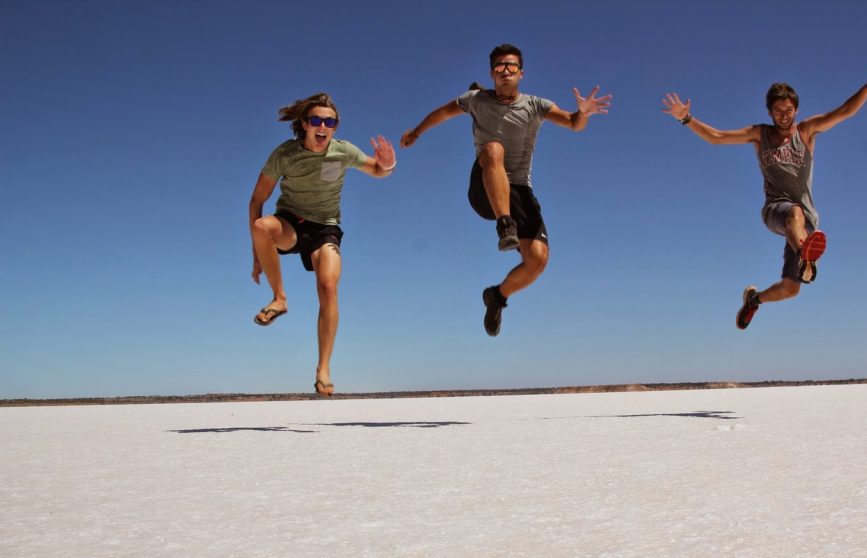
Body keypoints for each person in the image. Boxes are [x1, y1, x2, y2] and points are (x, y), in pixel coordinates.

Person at [400, 44, 611, 336]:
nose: (505, 71)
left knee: (537, 260)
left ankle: (497, 297)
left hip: (519, 190)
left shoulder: (536, 105)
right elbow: (443, 113)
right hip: (485, 187)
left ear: (521, 73)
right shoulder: (475, 100)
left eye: (511, 66)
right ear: (491, 73)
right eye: (499, 66)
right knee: (493, 148)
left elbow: (574, 124)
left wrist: (583, 112)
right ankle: (505, 224)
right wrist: (416, 132)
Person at [662, 72, 867, 330]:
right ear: (770, 112)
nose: (783, 115)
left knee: (790, 288)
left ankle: (754, 299)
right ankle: (806, 257)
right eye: (777, 111)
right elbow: (717, 137)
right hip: (776, 210)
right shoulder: (759, 134)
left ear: (796, 109)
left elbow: (844, 111)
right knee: (793, 213)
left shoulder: (806, 131)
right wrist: (685, 117)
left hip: (806, 224)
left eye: (788, 110)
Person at [248, 92, 396, 395]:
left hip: (325, 229)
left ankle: (323, 368)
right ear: (304, 124)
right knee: (262, 226)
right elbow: (257, 200)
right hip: (290, 223)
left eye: (330, 122)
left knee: (328, 286)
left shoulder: (344, 152)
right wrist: (257, 255)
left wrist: (388, 164)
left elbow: (378, 171)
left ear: (335, 127)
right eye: (316, 120)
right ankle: (279, 299)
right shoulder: (284, 154)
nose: (323, 126)